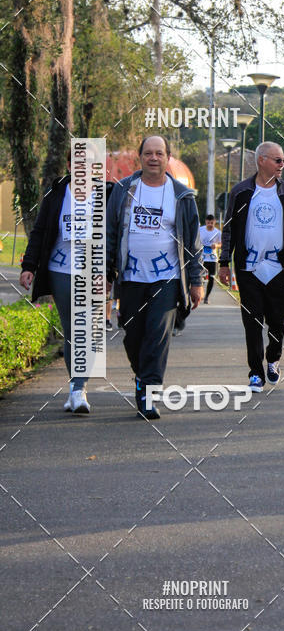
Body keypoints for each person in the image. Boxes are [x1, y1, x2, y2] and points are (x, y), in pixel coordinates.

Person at [106, 135, 203, 420]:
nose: (153, 158)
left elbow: (193, 243)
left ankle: (149, 393)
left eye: (159, 153)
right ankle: (143, 377)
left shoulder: (181, 196)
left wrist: (196, 281)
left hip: (168, 278)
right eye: (148, 153)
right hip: (131, 278)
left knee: (157, 336)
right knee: (132, 335)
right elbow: (111, 233)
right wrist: (107, 273)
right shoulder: (124, 190)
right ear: (141, 157)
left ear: (167, 157)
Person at [218, 142, 284, 392]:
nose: (281, 165)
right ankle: (255, 372)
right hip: (249, 268)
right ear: (261, 161)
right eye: (277, 160)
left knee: (279, 320)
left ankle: (273, 359)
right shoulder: (241, 191)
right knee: (252, 321)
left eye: (283, 161)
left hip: (279, 267)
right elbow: (229, 229)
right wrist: (224, 262)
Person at [19, 156, 98, 413]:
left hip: (92, 271)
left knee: (88, 329)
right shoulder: (56, 194)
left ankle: (77, 387)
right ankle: (78, 389)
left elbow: (116, 231)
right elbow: (40, 230)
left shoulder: (105, 195)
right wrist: (29, 266)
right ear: (68, 166)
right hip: (61, 268)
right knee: (74, 328)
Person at [198, 214, 221, 304]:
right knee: (200, 277)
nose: (210, 224)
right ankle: (200, 293)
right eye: (208, 223)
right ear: (206, 222)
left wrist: (216, 245)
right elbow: (195, 241)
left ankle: (207, 297)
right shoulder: (200, 230)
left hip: (212, 258)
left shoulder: (218, 232)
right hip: (202, 257)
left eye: (212, 223)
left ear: (214, 222)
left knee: (212, 278)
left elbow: (221, 243)